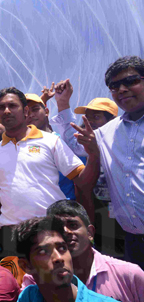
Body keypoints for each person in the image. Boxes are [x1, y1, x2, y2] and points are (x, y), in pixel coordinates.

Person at [0, 87, 97, 262]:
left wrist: (94, 154)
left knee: (55, 285)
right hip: (11, 235)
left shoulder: (50, 141)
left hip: (50, 228)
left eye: (12, 105)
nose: (6, 111)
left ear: (25, 111)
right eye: (1, 107)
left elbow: (82, 181)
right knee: (15, 288)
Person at [70, 56, 144, 268]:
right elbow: (83, 183)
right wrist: (93, 154)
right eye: (114, 86)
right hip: (133, 241)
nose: (121, 89)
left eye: (130, 81)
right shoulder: (104, 134)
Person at [21, 200, 144, 301]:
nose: (66, 231)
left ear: (90, 233)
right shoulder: (35, 278)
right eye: (58, 228)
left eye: (73, 225)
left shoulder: (129, 274)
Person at [50, 79, 119, 243]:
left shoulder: (121, 145)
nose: (88, 121)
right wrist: (63, 102)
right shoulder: (82, 147)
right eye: (86, 117)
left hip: (124, 218)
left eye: (96, 116)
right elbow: (68, 131)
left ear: (112, 122)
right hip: (94, 216)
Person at [15, 216, 114, 302]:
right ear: (26, 266)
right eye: (43, 252)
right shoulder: (29, 297)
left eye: (62, 248)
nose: (59, 258)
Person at [25, 93, 76, 201]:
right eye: (26, 112)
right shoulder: (21, 147)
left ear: (47, 111)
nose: (31, 115)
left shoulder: (63, 142)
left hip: (64, 212)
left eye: (35, 109)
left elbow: (81, 183)